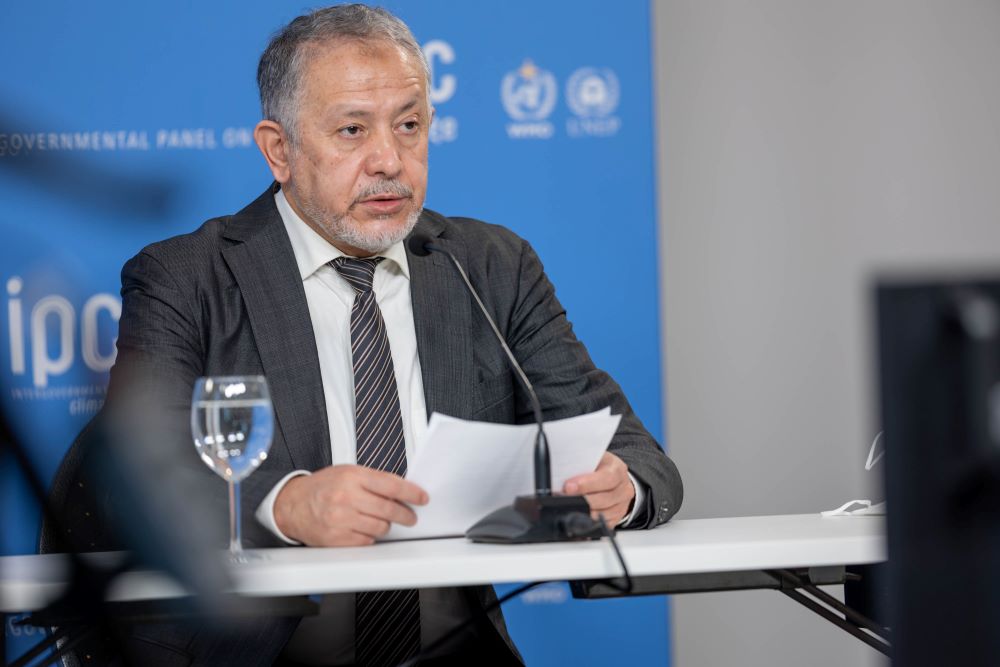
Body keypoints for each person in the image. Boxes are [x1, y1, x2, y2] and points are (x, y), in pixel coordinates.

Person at [80, 4, 682, 665]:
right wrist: (286, 503)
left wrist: (621, 488)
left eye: (409, 124)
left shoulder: (490, 265)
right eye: (351, 130)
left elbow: (631, 448)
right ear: (279, 149)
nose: (389, 160)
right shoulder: (185, 277)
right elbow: (135, 478)